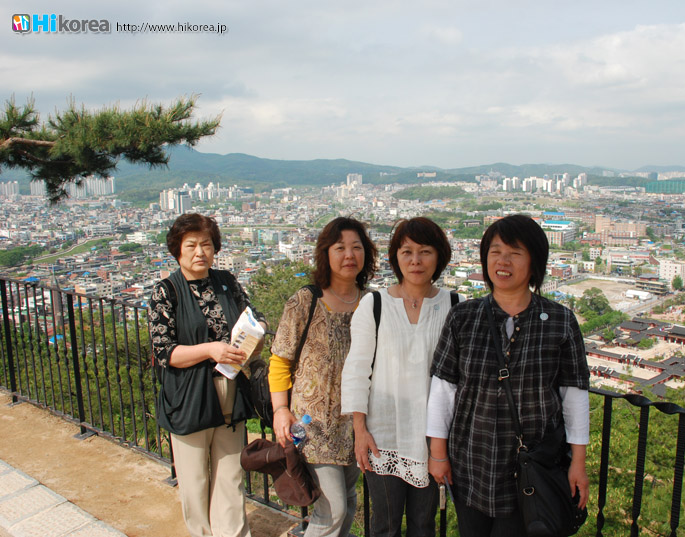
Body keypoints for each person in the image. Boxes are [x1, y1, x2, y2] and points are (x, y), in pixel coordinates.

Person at [427, 214, 590, 537]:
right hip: (471, 460)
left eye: (515, 252)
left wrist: (578, 462)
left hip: (533, 466)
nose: (503, 261)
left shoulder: (559, 321)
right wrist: (438, 454)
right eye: (495, 251)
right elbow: (444, 389)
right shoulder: (464, 317)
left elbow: (574, 396)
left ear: (534, 263)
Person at [341, 217, 462, 537]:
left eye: (425, 252)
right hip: (382, 436)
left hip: (432, 440)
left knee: (424, 526)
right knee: (384, 525)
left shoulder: (454, 305)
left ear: (439, 257)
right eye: (406, 252)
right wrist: (359, 429)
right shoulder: (375, 303)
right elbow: (357, 369)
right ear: (395, 256)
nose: (416, 260)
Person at [148, 213, 267, 537]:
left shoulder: (226, 282)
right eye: (192, 245)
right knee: (195, 481)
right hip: (189, 397)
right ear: (177, 250)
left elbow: (253, 317)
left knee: (231, 477)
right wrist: (210, 349)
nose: (200, 252)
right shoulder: (166, 291)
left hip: (230, 392)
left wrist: (254, 337)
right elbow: (164, 352)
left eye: (206, 244)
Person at [269, 217, 378, 537]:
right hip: (313, 424)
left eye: (356, 247)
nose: (349, 255)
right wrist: (280, 410)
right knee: (333, 509)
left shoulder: (372, 302)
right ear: (325, 254)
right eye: (340, 247)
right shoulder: (306, 300)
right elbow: (280, 360)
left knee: (348, 502)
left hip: (354, 425)